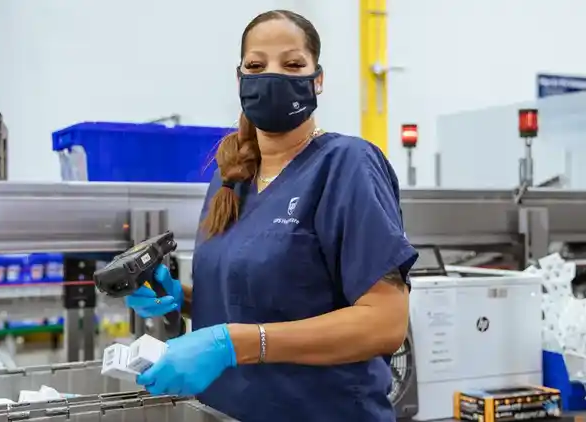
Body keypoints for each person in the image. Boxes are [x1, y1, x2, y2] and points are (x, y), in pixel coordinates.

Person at [124, 9, 417, 422]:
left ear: (318, 80)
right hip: (225, 412)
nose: (273, 76)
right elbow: (261, 304)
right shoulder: (231, 179)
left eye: (293, 64)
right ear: (240, 79)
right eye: (257, 65)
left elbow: (385, 323)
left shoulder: (346, 165)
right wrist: (182, 299)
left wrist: (232, 344)